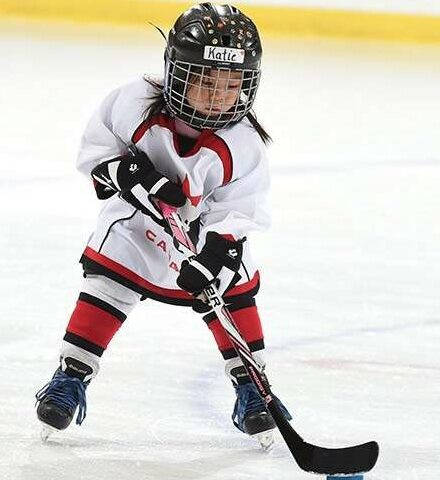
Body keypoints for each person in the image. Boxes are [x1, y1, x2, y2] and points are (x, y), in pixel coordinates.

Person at [35, 2, 291, 447]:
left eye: (232, 85)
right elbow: (95, 154)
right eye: (205, 82)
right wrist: (127, 175)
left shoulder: (244, 145)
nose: (219, 96)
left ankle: (253, 388)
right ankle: (71, 373)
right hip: (141, 220)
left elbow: (239, 213)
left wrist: (214, 255)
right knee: (112, 267)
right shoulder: (133, 101)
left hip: (202, 232)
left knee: (233, 291)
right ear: (176, 74)